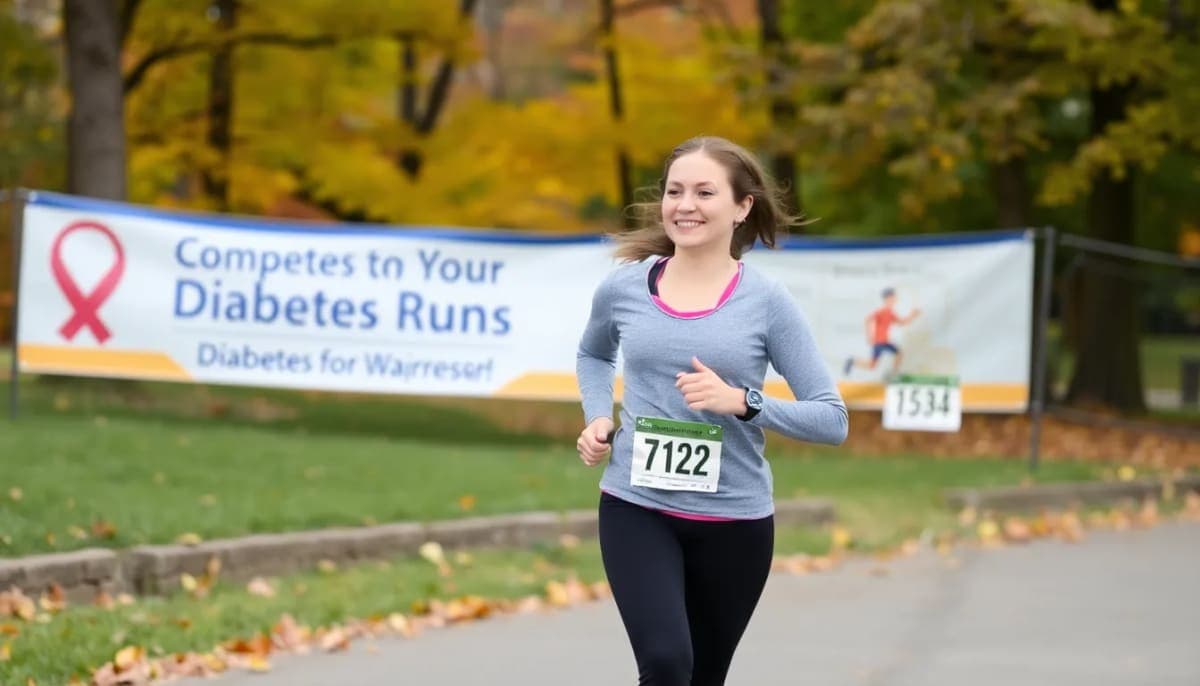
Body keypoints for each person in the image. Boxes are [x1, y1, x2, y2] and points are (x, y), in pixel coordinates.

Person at [575, 136, 848, 686]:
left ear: (742, 207)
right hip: (637, 505)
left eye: (704, 192)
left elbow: (832, 419)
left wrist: (745, 403)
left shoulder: (767, 303)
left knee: (703, 676)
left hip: (736, 521)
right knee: (668, 664)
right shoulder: (625, 287)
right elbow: (593, 352)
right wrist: (598, 416)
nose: (685, 205)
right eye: (675, 191)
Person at [842, 287, 921, 378]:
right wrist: (869, 336)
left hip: (885, 341)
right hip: (879, 342)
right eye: (893, 297)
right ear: (888, 298)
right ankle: (852, 361)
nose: (895, 299)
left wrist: (913, 315)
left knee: (898, 353)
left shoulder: (891, 313)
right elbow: (867, 320)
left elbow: (902, 323)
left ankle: (894, 374)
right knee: (872, 365)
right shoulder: (881, 311)